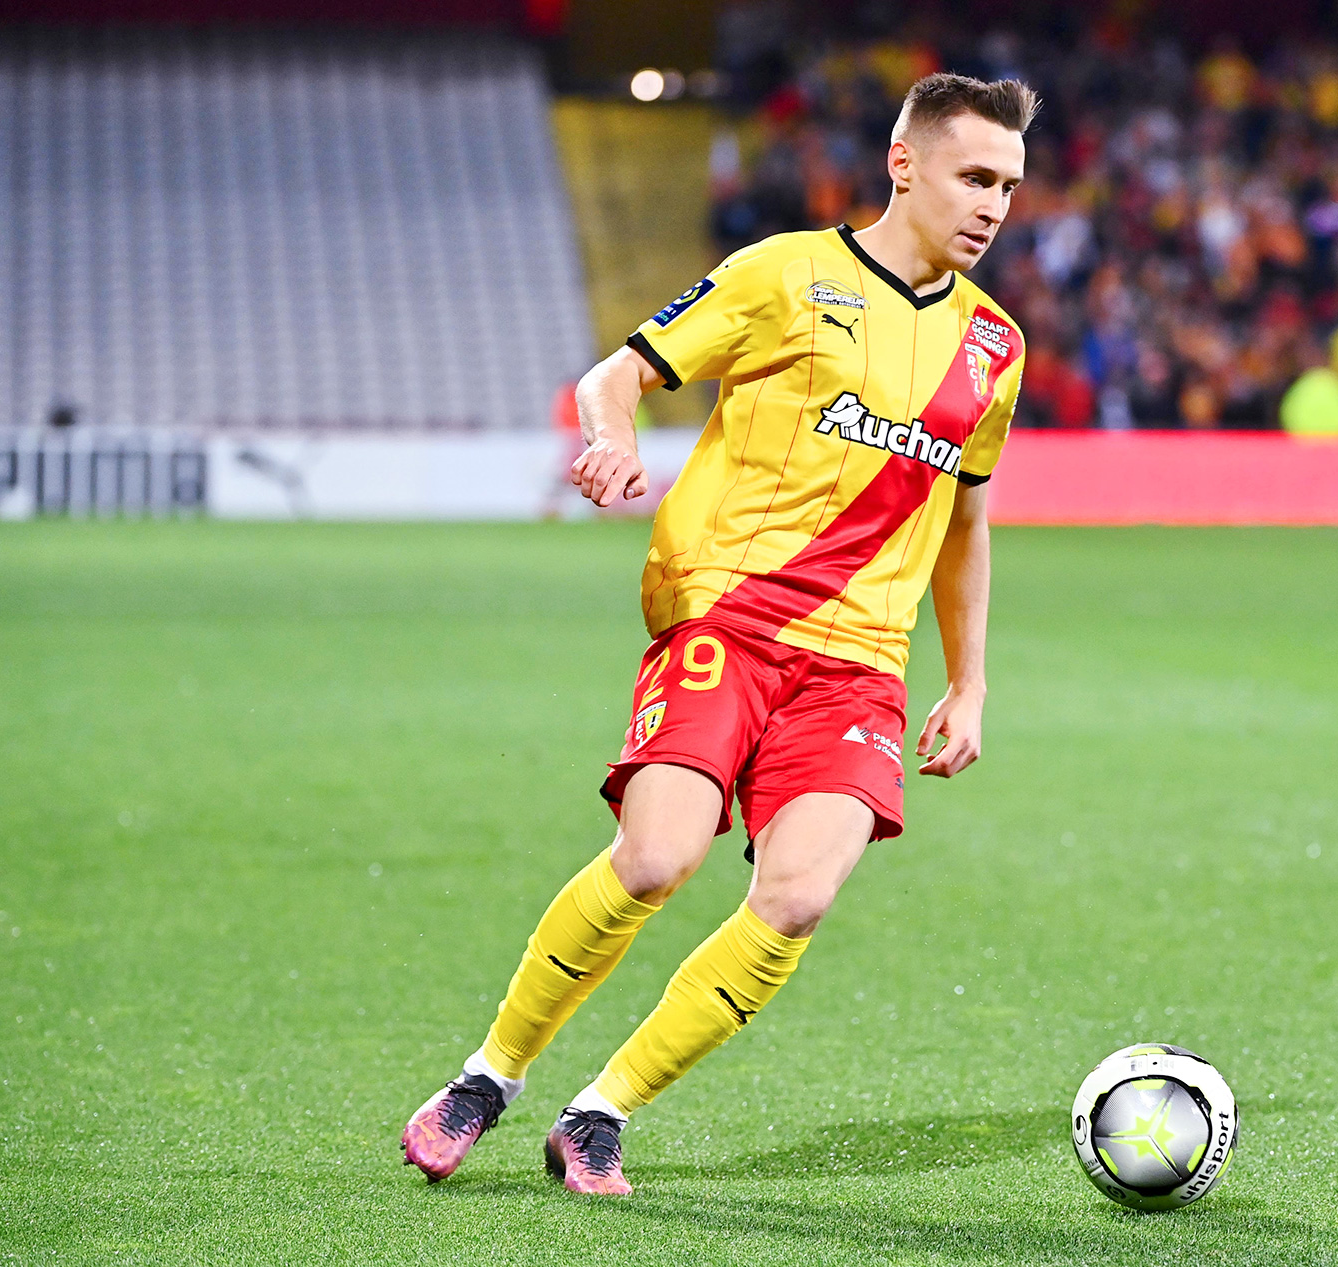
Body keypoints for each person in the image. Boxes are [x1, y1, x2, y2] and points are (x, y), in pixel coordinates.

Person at [400, 72, 1035, 1195]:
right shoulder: (784, 274)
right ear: (905, 164)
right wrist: (609, 439)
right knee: (655, 858)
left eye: (1009, 186)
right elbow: (615, 376)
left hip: (858, 665)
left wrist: (970, 682)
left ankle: (600, 1112)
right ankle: (487, 1076)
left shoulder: (994, 346)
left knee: (795, 896)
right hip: (726, 616)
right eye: (973, 176)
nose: (992, 204)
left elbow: (965, 521)